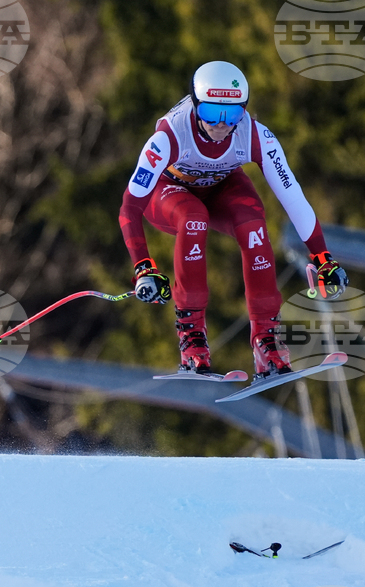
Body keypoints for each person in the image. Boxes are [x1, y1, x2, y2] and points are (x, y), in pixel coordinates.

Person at [121, 61, 348, 378]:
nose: (221, 125)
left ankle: (266, 340)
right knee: (193, 217)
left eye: (233, 115)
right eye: (212, 114)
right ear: (196, 106)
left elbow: (292, 196)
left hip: (219, 187)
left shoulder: (256, 136)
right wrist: (143, 267)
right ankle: (192, 339)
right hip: (168, 194)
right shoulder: (170, 135)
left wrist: (323, 258)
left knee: (253, 222)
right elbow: (130, 206)